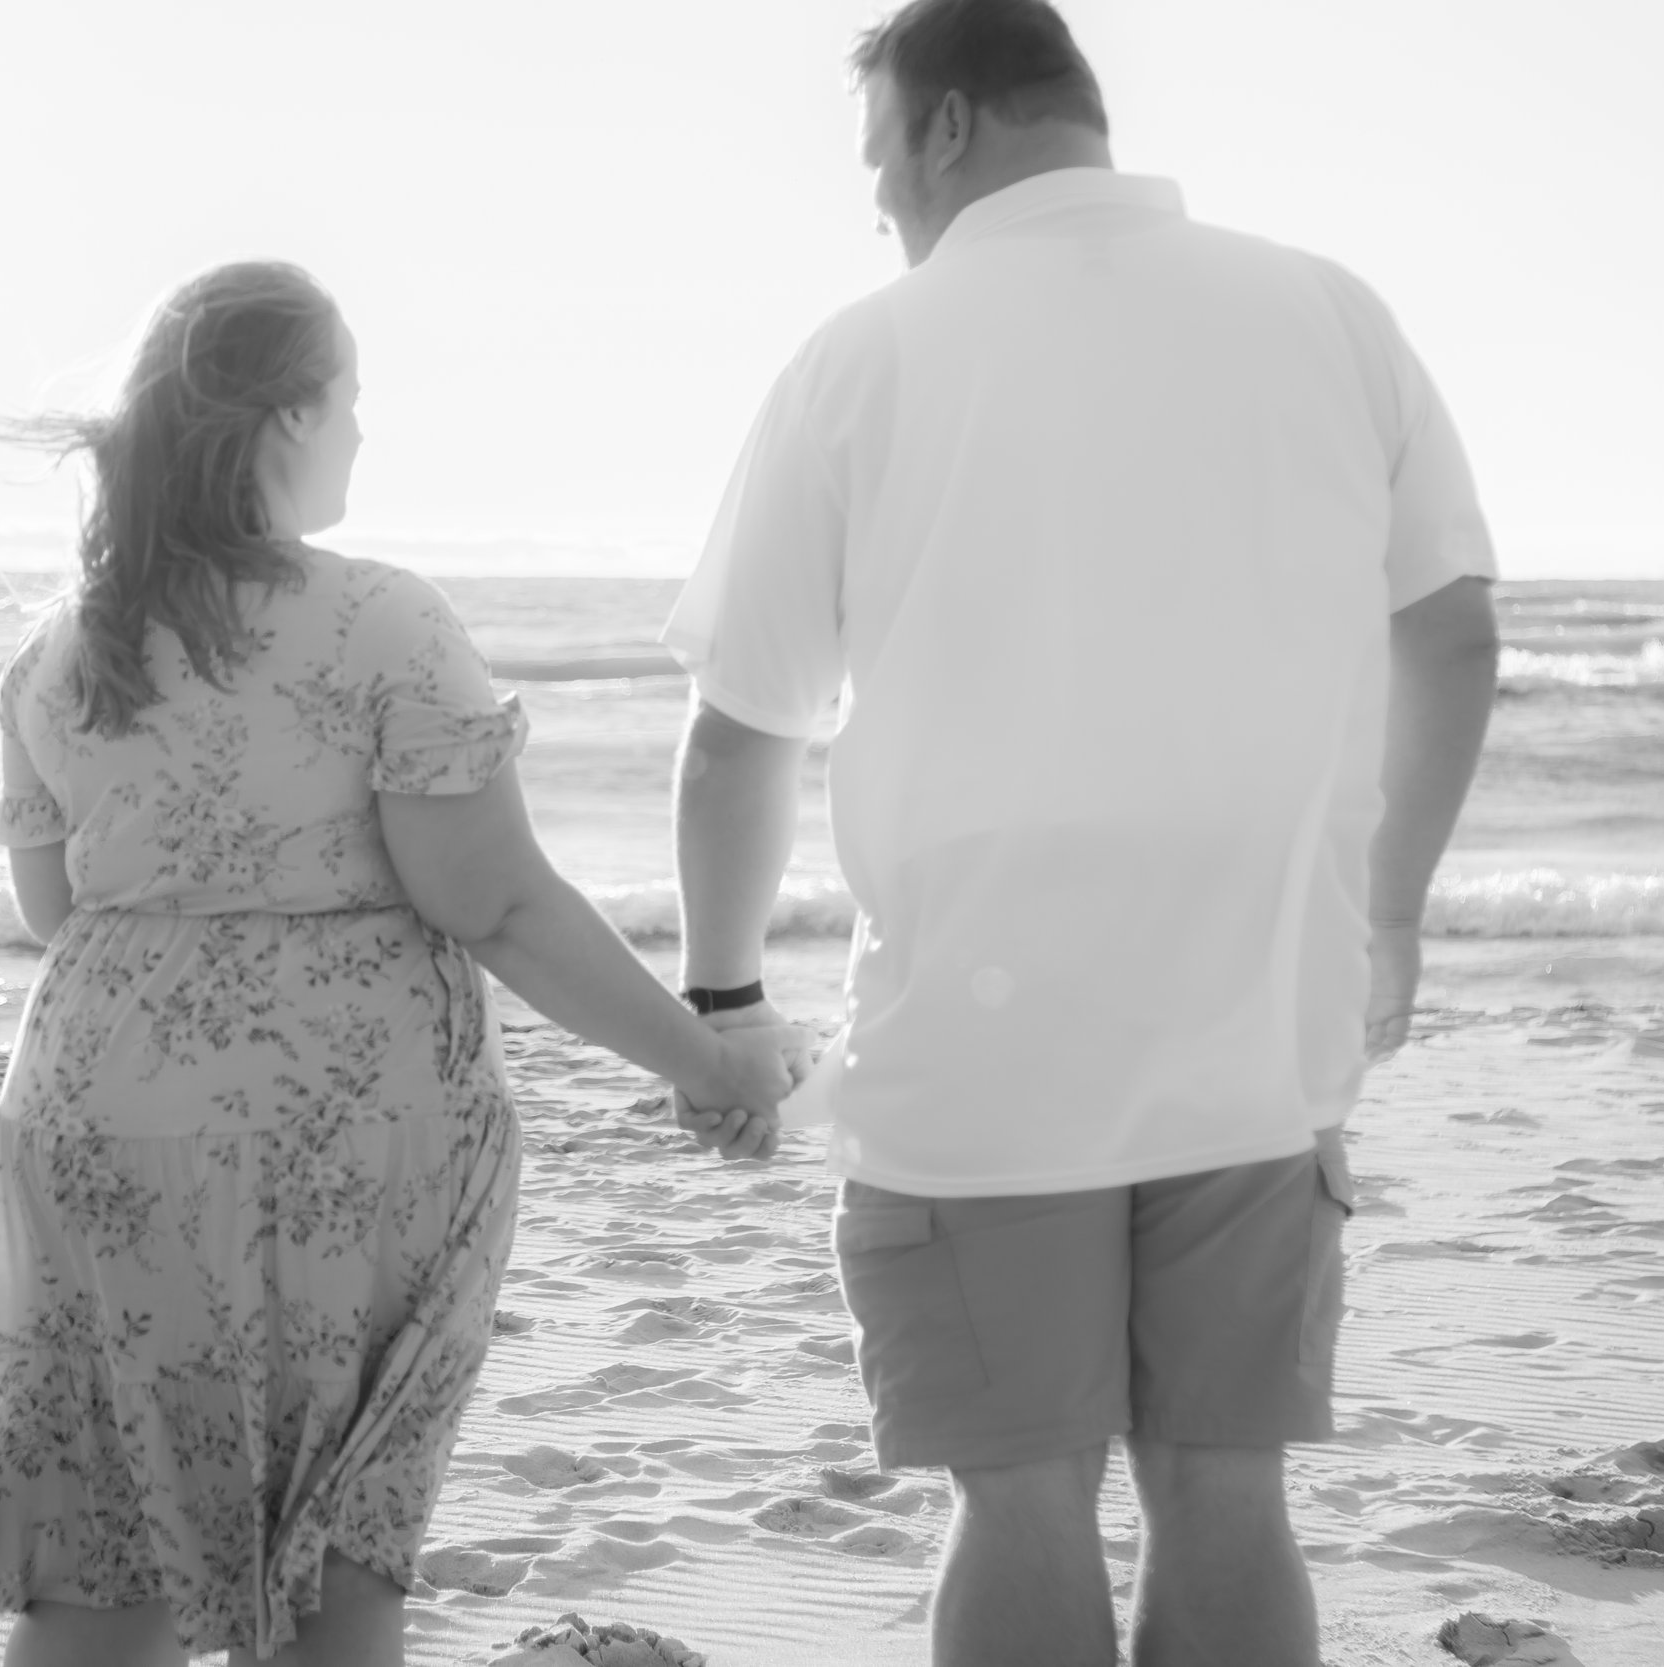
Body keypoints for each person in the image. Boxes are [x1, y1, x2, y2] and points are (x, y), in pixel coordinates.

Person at [663, 2, 1500, 1662]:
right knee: (1227, 1488)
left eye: (880, 155)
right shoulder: (1326, 309)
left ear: (949, 126)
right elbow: (1456, 633)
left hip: (974, 1059)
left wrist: (724, 1002)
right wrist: (1389, 908)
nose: (880, 201)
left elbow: (740, 732)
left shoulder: (866, 353)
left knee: (1019, 1495)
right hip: (1262, 1030)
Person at [0, 260, 793, 1667]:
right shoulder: (381, 623)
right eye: (351, 397)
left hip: (94, 1123)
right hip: (336, 1149)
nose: (363, 429)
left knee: (97, 1577)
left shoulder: (61, 650)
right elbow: (496, 904)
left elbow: (61, 913)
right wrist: (708, 1060)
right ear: (287, 418)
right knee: (325, 1580)